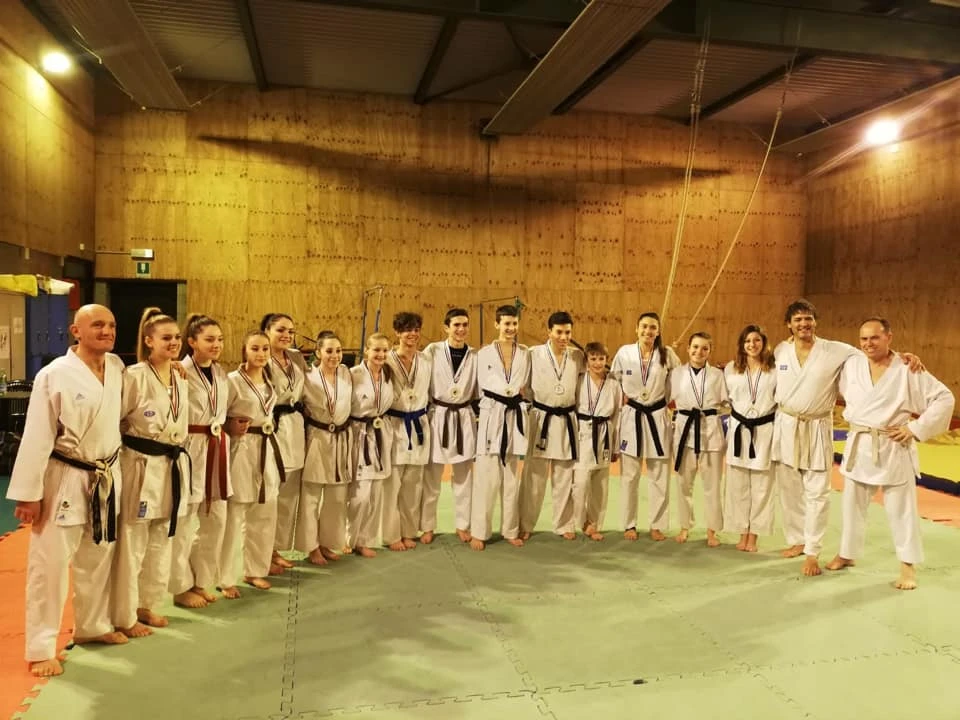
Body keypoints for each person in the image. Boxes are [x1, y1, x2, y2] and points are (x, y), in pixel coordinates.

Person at [7, 304, 128, 677]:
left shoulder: (117, 368)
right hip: (65, 476)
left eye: (111, 325)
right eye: (97, 325)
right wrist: (29, 493)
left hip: (106, 475)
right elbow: (37, 436)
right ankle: (41, 647)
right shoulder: (54, 374)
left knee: (98, 556)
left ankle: (92, 625)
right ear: (76, 331)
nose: (107, 331)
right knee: (51, 566)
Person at [772, 299, 921, 576]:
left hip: (817, 425)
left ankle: (812, 551)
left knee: (817, 491)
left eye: (808, 318)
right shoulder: (781, 350)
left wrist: (903, 358)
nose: (804, 324)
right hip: (786, 423)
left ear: (815, 321)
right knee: (789, 490)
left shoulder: (836, 350)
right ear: (788, 325)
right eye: (798, 320)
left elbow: (874, 353)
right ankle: (797, 539)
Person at [825, 318, 954, 589]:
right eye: (863, 339)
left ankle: (908, 566)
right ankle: (847, 553)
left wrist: (915, 428)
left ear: (889, 338)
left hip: (892, 446)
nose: (868, 344)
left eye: (874, 338)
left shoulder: (906, 369)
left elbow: (945, 399)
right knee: (851, 506)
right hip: (860, 444)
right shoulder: (852, 364)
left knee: (902, 510)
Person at [113, 308, 190, 637]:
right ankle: (124, 612)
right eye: (166, 338)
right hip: (140, 463)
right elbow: (116, 420)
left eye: (177, 337)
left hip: (171, 463)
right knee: (133, 541)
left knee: (161, 538)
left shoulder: (179, 376)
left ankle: (148, 603)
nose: (173, 342)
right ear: (148, 341)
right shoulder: (134, 376)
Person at [169, 314, 230, 608]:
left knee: (216, 521)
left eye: (219, 339)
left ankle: (201, 580)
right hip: (190, 448)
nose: (216, 344)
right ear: (192, 342)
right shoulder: (178, 371)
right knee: (184, 523)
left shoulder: (221, 373)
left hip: (216, 448)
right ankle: (180, 588)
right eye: (209, 339)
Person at [221, 330, 285, 594]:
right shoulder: (232, 381)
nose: (261, 354)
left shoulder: (270, 381)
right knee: (234, 516)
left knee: (265, 512)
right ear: (244, 350)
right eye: (255, 349)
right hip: (241, 448)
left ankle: (255, 570)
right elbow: (218, 416)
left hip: (266, 447)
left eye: (265, 349)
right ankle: (225, 578)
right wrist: (229, 425)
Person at [611, 312, 680, 541]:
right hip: (632, 416)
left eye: (652, 328)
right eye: (644, 326)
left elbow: (678, 381)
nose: (648, 331)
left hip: (657, 416)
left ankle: (657, 525)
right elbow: (614, 381)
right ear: (636, 328)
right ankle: (629, 524)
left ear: (658, 331)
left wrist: (671, 403)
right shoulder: (624, 353)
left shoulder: (667, 354)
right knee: (629, 476)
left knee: (659, 475)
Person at [470, 305, 531, 551]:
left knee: (511, 477)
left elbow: (526, 383)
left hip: (514, 415)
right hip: (492, 413)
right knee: (486, 477)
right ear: (497, 324)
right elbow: (481, 384)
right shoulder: (484, 353)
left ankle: (510, 530)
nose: (510, 328)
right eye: (506, 323)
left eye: (514, 323)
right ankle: (479, 532)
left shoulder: (525, 353)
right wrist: (504, 393)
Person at [519, 311, 584, 540]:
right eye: (559, 332)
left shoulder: (577, 356)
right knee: (534, 476)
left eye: (568, 332)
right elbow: (524, 385)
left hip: (567, 419)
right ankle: (525, 524)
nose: (564, 337)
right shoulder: (533, 354)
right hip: (541, 419)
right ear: (549, 332)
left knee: (565, 475)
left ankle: (564, 524)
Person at [297, 331, 354, 565]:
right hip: (317, 438)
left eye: (338, 351)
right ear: (318, 352)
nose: (334, 355)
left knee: (337, 497)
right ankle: (311, 547)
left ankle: (327, 542)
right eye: (329, 351)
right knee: (311, 497)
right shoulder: (307, 376)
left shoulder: (346, 373)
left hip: (341, 440)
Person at [423, 309, 478, 544]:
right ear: (446, 327)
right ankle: (427, 526)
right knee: (432, 477)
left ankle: (463, 525)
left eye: (465, 325)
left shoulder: (475, 355)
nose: (461, 329)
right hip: (438, 415)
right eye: (456, 325)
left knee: (464, 478)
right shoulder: (432, 351)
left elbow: (479, 390)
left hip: (464, 416)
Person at [669, 332, 728, 546]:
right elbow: (665, 399)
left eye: (704, 348)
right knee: (683, 484)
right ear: (688, 348)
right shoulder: (676, 373)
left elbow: (726, 403)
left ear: (710, 351)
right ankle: (685, 526)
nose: (699, 351)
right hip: (684, 430)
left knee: (712, 485)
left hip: (710, 431)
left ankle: (712, 530)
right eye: (695, 347)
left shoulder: (717, 375)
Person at [723, 325, 777, 553]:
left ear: (764, 342)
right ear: (741, 344)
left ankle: (754, 535)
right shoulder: (731, 368)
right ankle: (741, 532)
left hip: (764, 429)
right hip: (739, 429)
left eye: (756, 340)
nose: (752, 345)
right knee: (737, 485)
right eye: (747, 341)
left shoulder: (774, 369)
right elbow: (726, 399)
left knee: (762, 486)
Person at [383, 312, 432, 550]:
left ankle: (409, 531)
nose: (412, 334)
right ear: (397, 332)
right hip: (395, 423)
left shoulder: (426, 360)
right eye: (407, 330)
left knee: (413, 485)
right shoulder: (386, 360)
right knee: (392, 486)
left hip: (418, 425)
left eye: (416, 329)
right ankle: (391, 535)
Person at [263, 313, 307, 573]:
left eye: (290, 331)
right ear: (267, 331)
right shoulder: (261, 357)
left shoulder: (295, 358)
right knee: (271, 495)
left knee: (289, 496)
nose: (286, 335)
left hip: (295, 426)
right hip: (273, 427)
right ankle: (262, 552)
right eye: (280, 330)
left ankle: (276, 548)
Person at [347, 333, 395, 558]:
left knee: (375, 493)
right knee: (359, 493)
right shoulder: (353, 374)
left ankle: (364, 540)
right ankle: (349, 537)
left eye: (385, 350)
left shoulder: (388, 374)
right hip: (359, 433)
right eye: (376, 350)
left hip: (380, 432)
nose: (381, 354)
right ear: (366, 350)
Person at [572, 342, 620, 541]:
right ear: (586, 361)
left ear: (607, 360)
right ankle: (579, 521)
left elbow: (617, 415)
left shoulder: (614, 384)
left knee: (600, 484)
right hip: (583, 432)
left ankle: (594, 523)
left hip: (605, 433)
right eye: (593, 358)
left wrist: (615, 446)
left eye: (601, 358)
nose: (598, 363)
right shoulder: (579, 381)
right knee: (580, 482)